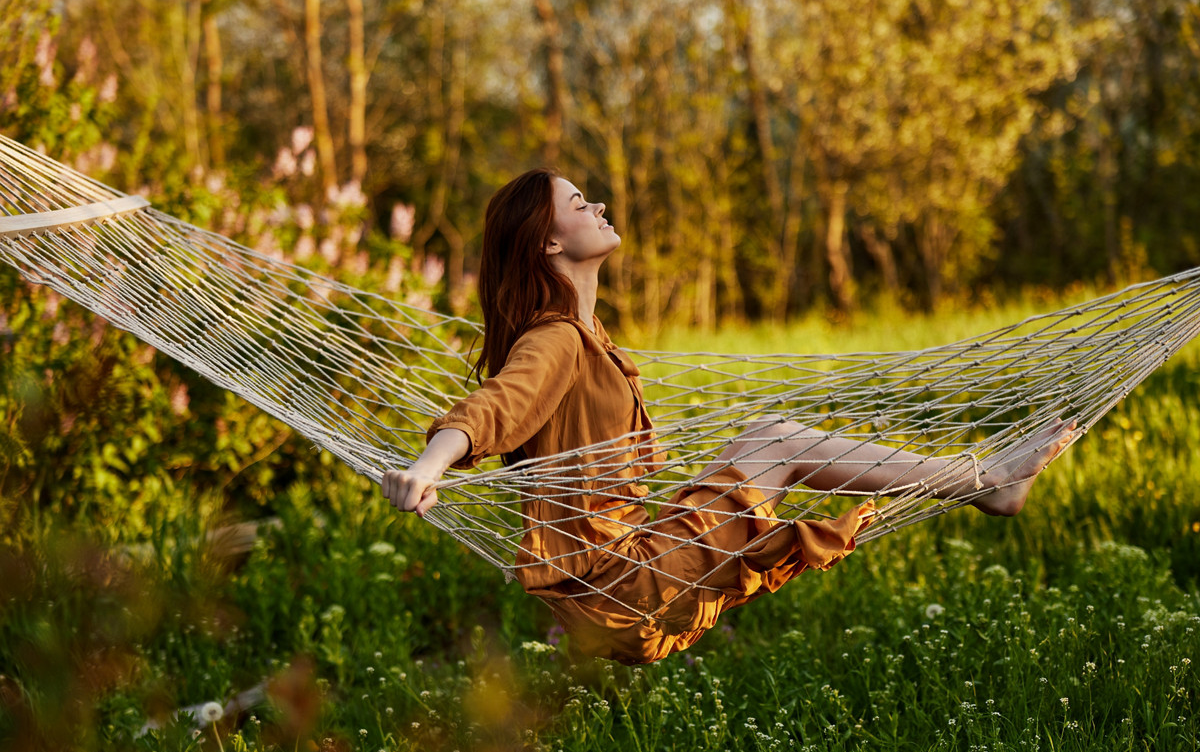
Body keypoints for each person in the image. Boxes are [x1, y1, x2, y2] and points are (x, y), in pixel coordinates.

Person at [382, 169, 1075, 665]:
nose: (596, 204)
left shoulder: (591, 338)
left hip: (613, 588)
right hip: (624, 587)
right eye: (575, 203)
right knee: (774, 439)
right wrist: (428, 464)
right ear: (548, 245)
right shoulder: (557, 339)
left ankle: (984, 482)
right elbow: (495, 406)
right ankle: (986, 481)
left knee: (761, 438)